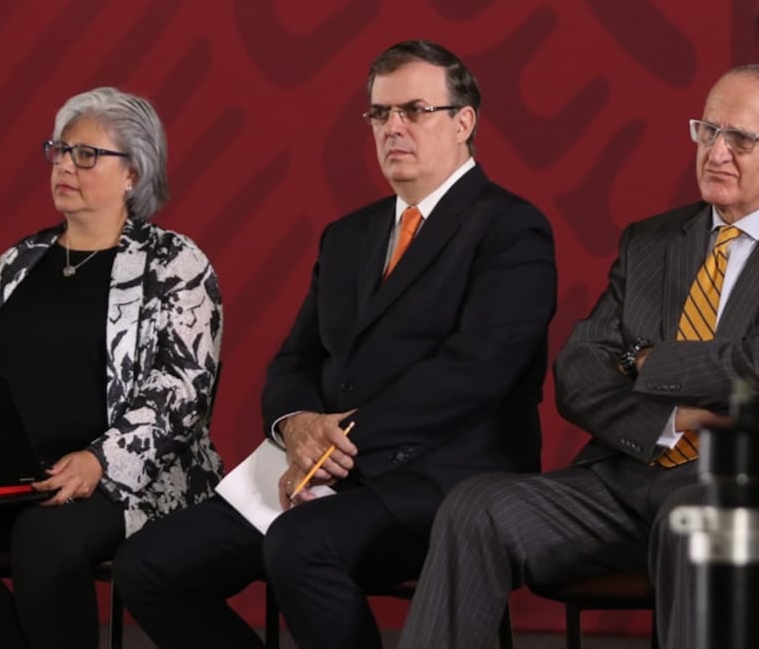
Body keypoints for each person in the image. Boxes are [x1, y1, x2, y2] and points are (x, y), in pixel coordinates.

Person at [399, 64, 759, 648]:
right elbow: (578, 370)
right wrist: (673, 418)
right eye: (707, 131)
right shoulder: (651, 242)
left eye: (742, 139)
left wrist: (651, 363)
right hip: (633, 475)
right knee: (477, 506)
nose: (717, 152)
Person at [113, 39, 557, 648]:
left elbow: (476, 372)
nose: (392, 128)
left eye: (413, 111)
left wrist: (334, 445)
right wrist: (295, 426)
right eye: (380, 113)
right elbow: (298, 357)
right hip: (318, 468)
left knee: (300, 545)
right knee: (149, 567)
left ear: (463, 123)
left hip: (443, 480)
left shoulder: (511, 227)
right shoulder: (349, 235)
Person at [0, 86, 224, 649]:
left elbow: (183, 388)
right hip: (13, 479)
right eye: (60, 150)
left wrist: (99, 460)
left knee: (45, 536)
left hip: (127, 482)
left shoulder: (175, 262)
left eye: (87, 154)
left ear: (134, 174)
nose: (66, 165)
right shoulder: (17, 263)